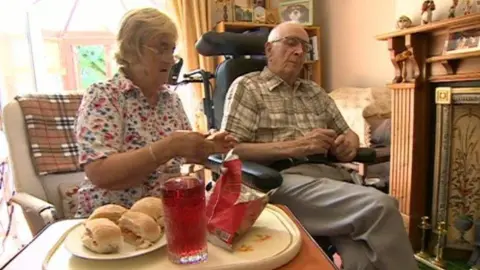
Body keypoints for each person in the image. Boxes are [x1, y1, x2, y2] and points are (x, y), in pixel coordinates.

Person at [221, 21, 418, 270]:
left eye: (305, 46)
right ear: (269, 49)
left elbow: (347, 131)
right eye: (291, 43)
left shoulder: (314, 91)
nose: (299, 51)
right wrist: (297, 146)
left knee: (361, 259)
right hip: (279, 180)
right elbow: (231, 150)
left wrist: (348, 143)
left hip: (330, 177)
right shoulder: (248, 87)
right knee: (381, 207)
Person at [74, 8, 236, 217]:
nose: (170, 60)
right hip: (112, 218)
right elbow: (99, 173)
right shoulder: (104, 96)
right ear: (131, 50)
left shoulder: (171, 99)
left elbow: (183, 154)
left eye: (171, 50)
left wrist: (208, 145)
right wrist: (168, 147)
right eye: (161, 49)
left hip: (167, 215)